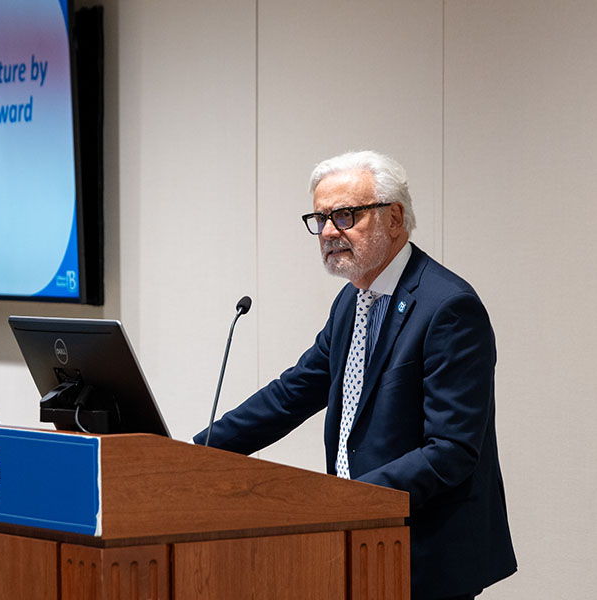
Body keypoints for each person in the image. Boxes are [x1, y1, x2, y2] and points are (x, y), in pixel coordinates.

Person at [193, 151, 516, 600]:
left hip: (426, 552)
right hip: (360, 540)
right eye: (320, 218)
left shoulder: (449, 308)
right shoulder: (352, 301)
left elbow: (452, 450)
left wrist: (347, 499)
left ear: (395, 218)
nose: (327, 232)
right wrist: (197, 453)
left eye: (345, 215)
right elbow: (293, 392)